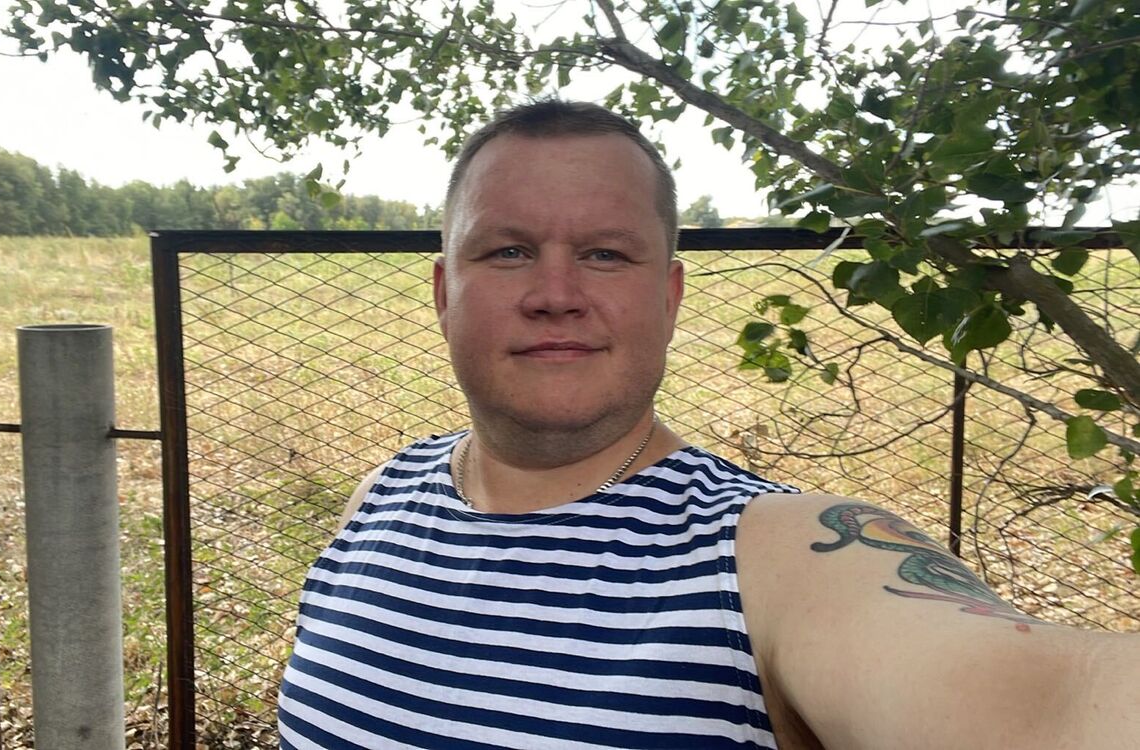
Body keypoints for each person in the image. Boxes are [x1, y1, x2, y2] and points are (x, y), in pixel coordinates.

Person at [276, 100, 1139, 749]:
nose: (555, 294)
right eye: (508, 251)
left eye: (605, 254)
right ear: (443, 293)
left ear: (670, 296)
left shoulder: (773, 557)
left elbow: (1049, 702)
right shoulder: (378, 498)